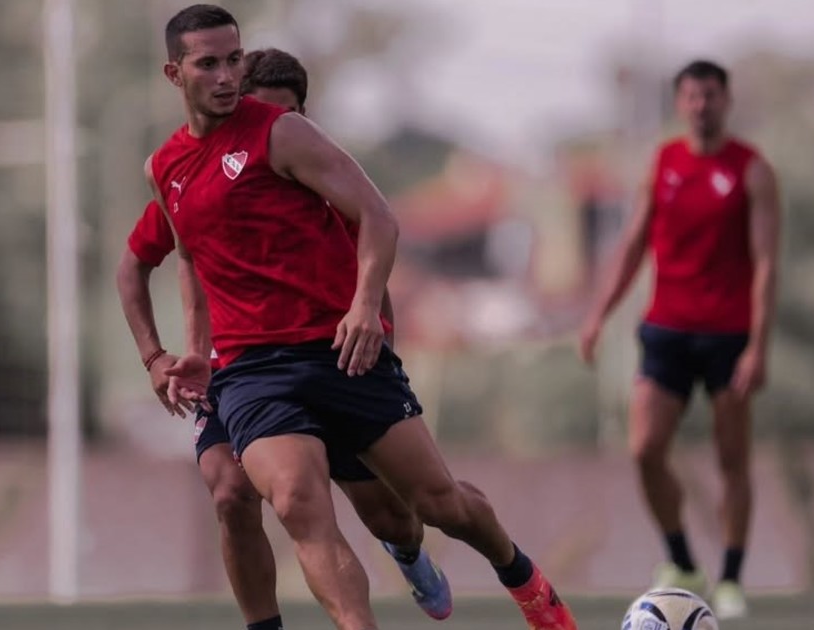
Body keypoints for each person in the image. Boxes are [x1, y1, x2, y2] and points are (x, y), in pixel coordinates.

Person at [151, 5, 576, 630]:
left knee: (439, 505)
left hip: (339, 354)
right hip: (252, 373)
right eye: (207, 64)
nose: (224, 76)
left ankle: (522, 577)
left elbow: (379, 217)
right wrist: (176, 351)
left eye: (233, 60)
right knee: (295, 500)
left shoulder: (283, 134)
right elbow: (184, 259)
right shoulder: (166, 167)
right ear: (174, 74)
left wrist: (364, 308)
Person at [117, 48, 451, 629]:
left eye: (284, 117)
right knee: (229, 492)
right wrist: (155, 356)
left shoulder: (324, 183)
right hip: (236, 370)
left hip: (324, 362)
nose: (265, 131)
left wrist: (376, 349)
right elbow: (136, 265)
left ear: (301, 119)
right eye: (258, 113)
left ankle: (408, 552)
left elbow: (373, 274)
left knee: (388, 517)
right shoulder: (196, 177)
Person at [579, 59, 781, 619]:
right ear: (679, 103)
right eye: (691, 96)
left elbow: (766, 263)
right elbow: (633, 244)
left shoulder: (752, 171)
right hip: (666, 329)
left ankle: (732, 577)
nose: (701, 105)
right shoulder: (664, 163)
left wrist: (759, 346)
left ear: (726, 100)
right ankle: (683, 560)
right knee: (645, 449)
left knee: (731, 458)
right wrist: (598, 314)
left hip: (728, 335)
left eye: (710, 95)